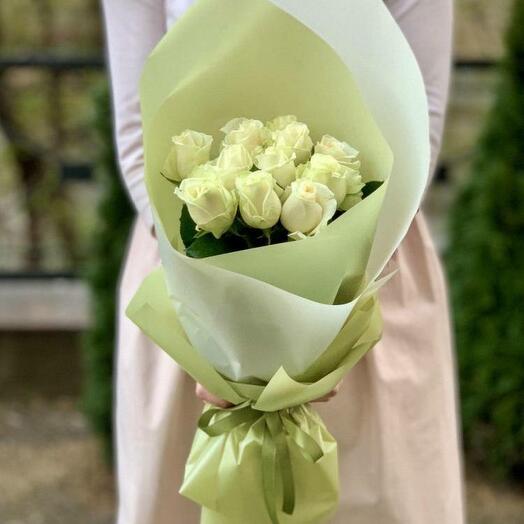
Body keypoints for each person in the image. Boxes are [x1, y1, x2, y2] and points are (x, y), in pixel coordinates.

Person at [102, 1, 464, 522]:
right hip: (190, 276)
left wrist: (323, 334)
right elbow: (139, 130)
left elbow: (419, 119)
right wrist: (225, 335)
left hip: (366, 270)